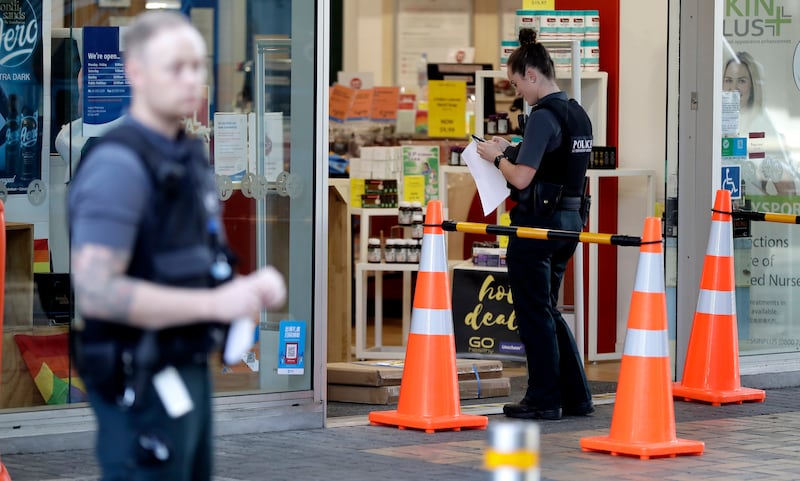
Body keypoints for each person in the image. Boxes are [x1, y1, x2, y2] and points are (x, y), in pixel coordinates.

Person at [68, 11, 286, 481]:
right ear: (136, 72)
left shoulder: (188, 159)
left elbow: (196, 268)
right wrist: (215, 301)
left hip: (187, 370)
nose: (190, 79)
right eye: (175, 67)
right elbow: (97, 292)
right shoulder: (118, 166)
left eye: (197, 66)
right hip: (139, 380)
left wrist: (243, 295)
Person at [476, 28, 593, 420]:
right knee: (549, 309)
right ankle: (576, 395)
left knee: (533, 312)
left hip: (536, 227)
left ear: (531, 74)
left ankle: (543, 398)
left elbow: (522, 178)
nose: (517, 92)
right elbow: (555, 164)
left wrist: (495, 157)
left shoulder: (543, 116)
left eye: (515, 83)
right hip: (570, 223)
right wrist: (510, 148)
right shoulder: (577, 113)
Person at [723, 51, 797, 195]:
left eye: (742, 81)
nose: (734, 87)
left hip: (749, 212)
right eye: (728, 80)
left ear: (752, 86)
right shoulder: (711, 123)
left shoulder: (761, 125)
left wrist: (763, 206)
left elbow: (788, 189)